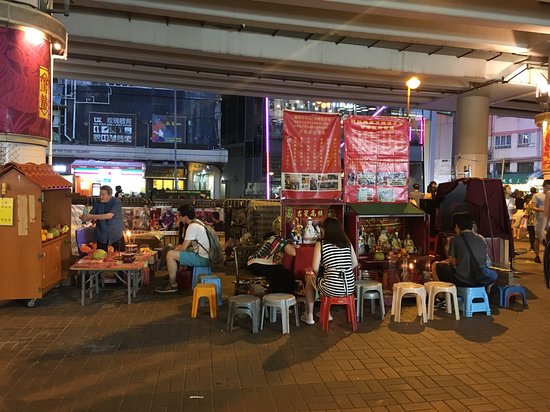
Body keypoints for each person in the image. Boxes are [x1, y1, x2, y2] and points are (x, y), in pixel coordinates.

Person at [301, 217, 359, 325]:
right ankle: (326, 313)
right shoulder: (347, 243)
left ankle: (309, 315)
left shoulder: (321, 244)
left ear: (325, 230)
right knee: (323, 280)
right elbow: (355, 263)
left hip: (332, 287)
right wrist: (342, 269)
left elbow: (314, 268)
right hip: (350, 287)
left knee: (310, 279)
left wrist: (320, 276)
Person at [156, 205, 210, 293]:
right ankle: (174, 275)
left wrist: (173, 251)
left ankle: (172, 284)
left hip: (202, 259)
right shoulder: (198, 223)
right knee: (174, 251)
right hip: (205, 255)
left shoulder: (192, 227)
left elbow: (183, 248)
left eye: (179, 215)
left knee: (170, 254)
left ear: (185, 217)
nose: (178, 216)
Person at [431, 212, 489, 287]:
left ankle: (441, 296)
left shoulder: (455, 239)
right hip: (480, 279)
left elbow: (453, 262)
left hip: (463, 280)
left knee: (435, 265)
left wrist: (447, 251)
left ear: (456, 226)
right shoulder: (481, 238)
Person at [79, 185, 125, 252]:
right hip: (102, 236)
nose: (101, 197)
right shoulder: (98, 202)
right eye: (100, 194)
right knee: (100, 258)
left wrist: (91, 216)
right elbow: (89, 216)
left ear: (110, 195)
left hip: (116, 235)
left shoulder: (116, 202)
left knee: (121, 256)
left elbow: (109, 216)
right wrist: (84, 217)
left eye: (103, 195)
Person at [530, 181, 549, 264]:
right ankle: (537, 255)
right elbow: (532, 207)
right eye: (547, 188)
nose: (548, 189)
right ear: (544, 187)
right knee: (538, 238)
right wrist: (542, 210)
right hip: (540, 220)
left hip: (548, 221)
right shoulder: (537, 196)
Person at [525, 187, 538, 251]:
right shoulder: (537, 200)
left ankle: (533, 247)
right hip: (537, 221)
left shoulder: (529, 202)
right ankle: (534, 247)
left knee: (532, 235)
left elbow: (528, 212)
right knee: (536, 235)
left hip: (531, 221)